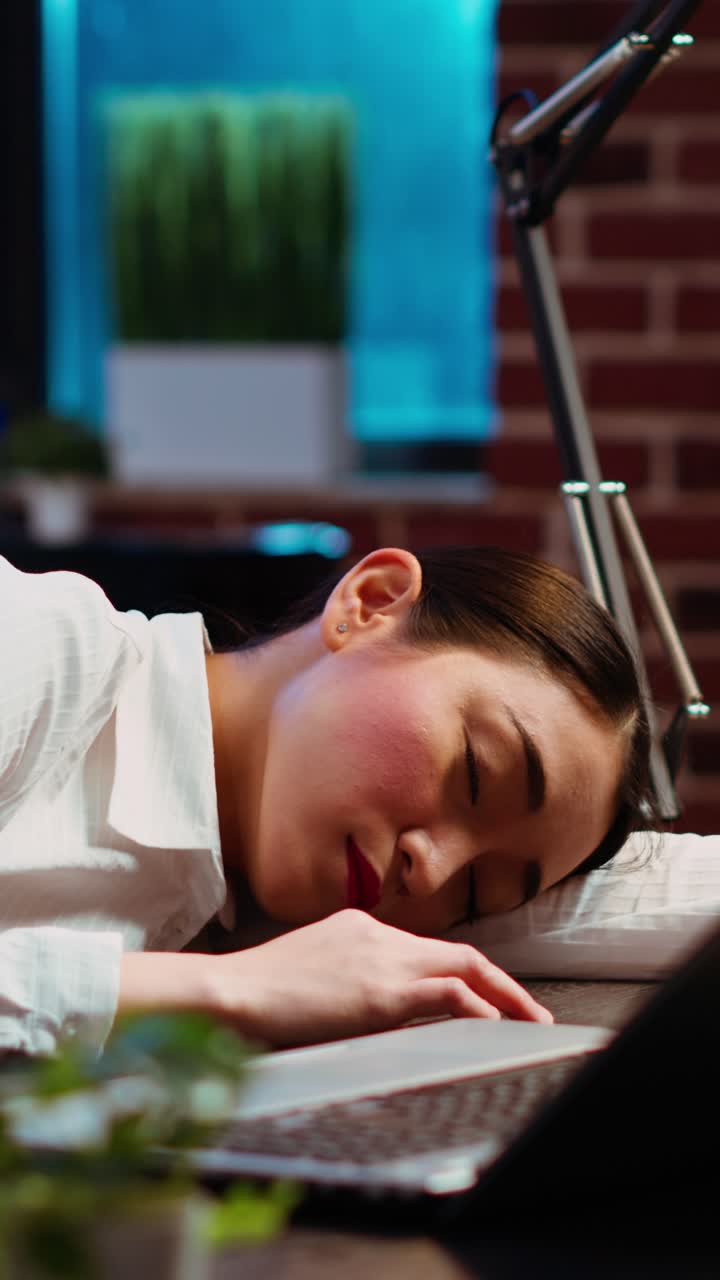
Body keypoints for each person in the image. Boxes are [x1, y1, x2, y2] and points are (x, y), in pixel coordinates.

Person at [0, 545, 653, 1057]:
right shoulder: (43, 642)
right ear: (371, 602)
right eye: (475, 774)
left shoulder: (205, 915)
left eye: (477, 892)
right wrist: (234, 988)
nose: (431, 872)